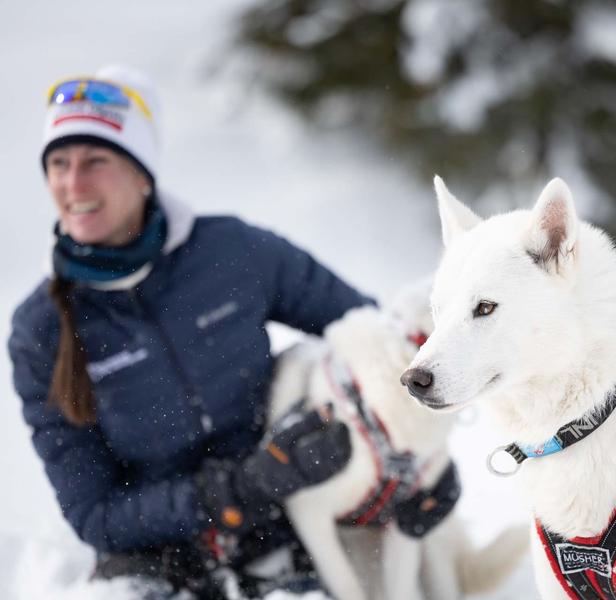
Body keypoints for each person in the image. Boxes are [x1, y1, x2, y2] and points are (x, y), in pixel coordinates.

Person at [7, 65, 375, 599]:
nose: (73, 183)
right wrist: (233, 489)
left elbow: (369, 332)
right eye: (59, 163)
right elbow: (95, 513)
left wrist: (406, 461)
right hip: (155, 557)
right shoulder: (39, 329)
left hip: (284, 524)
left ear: (142, 174)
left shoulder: (233, 252)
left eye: (95, 161)